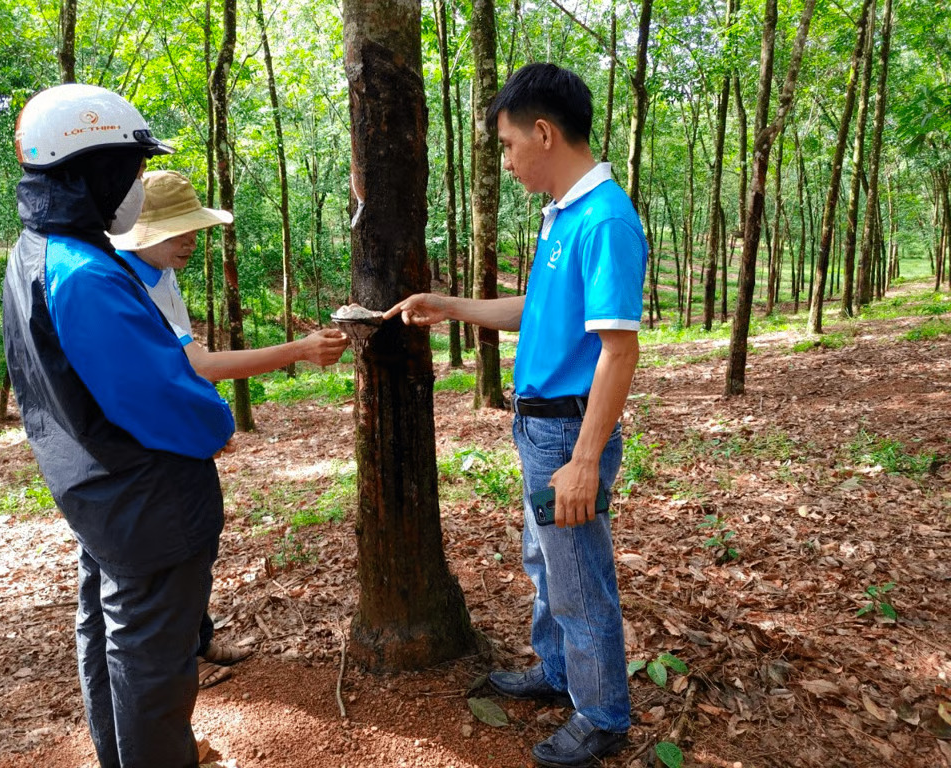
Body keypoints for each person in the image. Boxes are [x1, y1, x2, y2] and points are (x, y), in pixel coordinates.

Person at [385, 62, 647, 768]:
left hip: (568, 430)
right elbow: (537, 315)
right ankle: (560, 671)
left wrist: (585, 460)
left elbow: (618, 353)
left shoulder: (605, 221)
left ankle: (602, 714)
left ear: (543, 132)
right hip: (538, 425)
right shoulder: (561, 217)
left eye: (506, 144)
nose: (506, 160)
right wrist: (450, 306)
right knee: (546, 561)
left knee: (578, 576)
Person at [3, 83, 234, 767]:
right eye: (129, 169)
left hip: (98, 493)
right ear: (92, 169)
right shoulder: (84, 275)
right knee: (154, 662)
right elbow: (158, 394)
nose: (136, 184)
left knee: (110, 637)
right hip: (149, 501)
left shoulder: (36, 253)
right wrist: (216, 421)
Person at [109, 169, 349, 687]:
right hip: (142, 452)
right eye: (177, 231)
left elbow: (187, 356)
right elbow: (198, 365)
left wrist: (208, 420)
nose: (191, 241)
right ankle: (177, 667)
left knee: (198, 543)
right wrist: (299, 351)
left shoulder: (162, 275)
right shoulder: (119, 282)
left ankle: (197, 639)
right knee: (169, 557)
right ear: (142, 233)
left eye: (194, 228)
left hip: (177, 439)